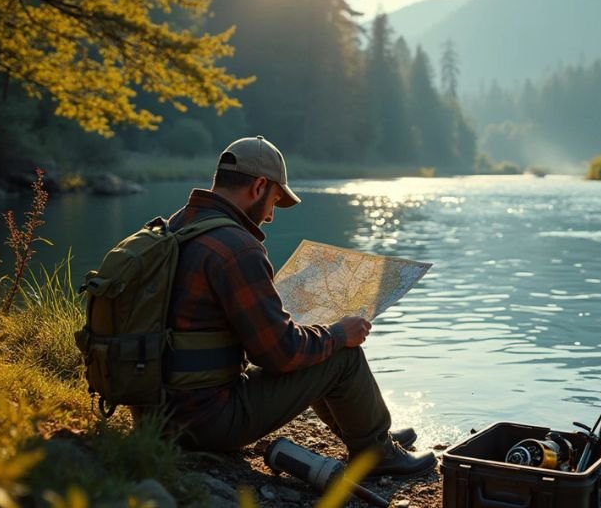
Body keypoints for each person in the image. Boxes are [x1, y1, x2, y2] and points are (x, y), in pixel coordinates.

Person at [161, 135, 436, 477]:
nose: (271, 216)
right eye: (274, 201)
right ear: (259, 185)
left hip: (158, 412)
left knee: (316, 339)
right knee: (341, 352)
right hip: (205, 423)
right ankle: (375, 452)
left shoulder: (174, 226)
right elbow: (280, 355)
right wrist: (338, 333)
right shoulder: (237, 248)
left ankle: (368, 432)